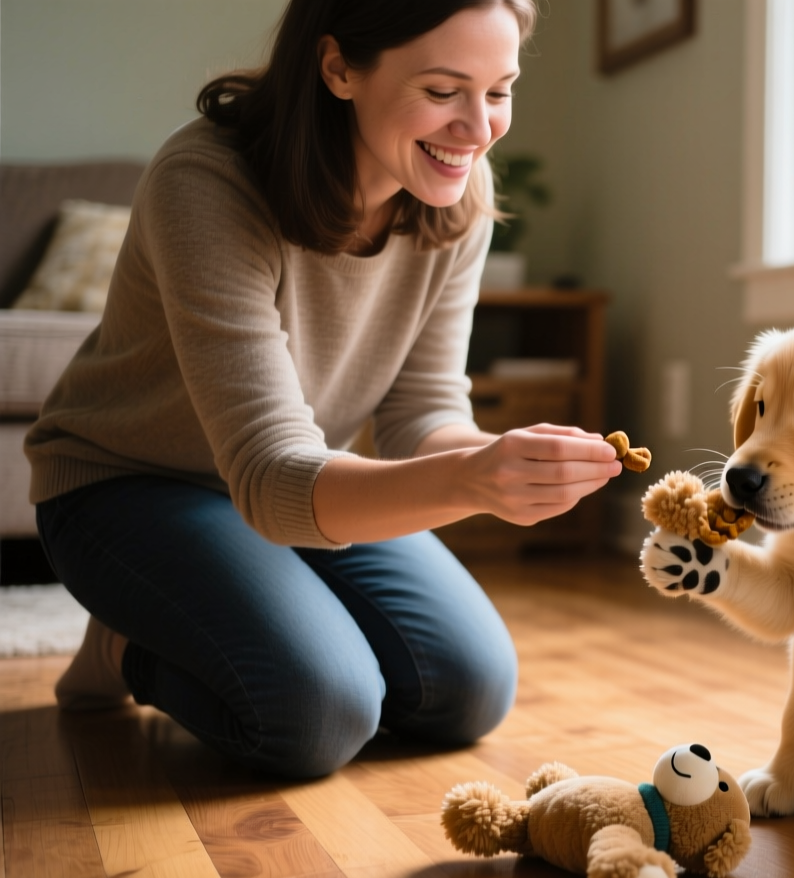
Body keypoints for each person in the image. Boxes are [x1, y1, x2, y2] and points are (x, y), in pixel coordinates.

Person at [25, 0, 622, 779]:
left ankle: (243, 608)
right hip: (127, 487)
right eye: (444, 91)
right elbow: (271, 478)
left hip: (297, 490)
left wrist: (498, 457)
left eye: (499, 90)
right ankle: (123, 645)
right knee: (318, 712)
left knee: (469, 690)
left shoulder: (457, 197)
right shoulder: (208, 179)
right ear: (339, 68)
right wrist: (471, 481)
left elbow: (423, 416)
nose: (477, 129)